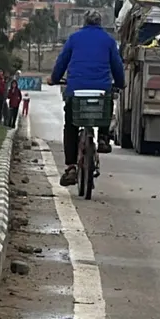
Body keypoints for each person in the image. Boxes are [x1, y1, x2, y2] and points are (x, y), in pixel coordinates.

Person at [49, 10, 126, 187]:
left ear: (84, 22)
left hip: (76, 91)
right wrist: (121, 83)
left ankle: (70, 167)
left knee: (70, 125)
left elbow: (62, 62)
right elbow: (117, 66)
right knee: (106, 106)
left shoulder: (74, 39)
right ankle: (103, 138)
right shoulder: (108, 41)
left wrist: (54, 78)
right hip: (101, 90)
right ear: (100, 23)